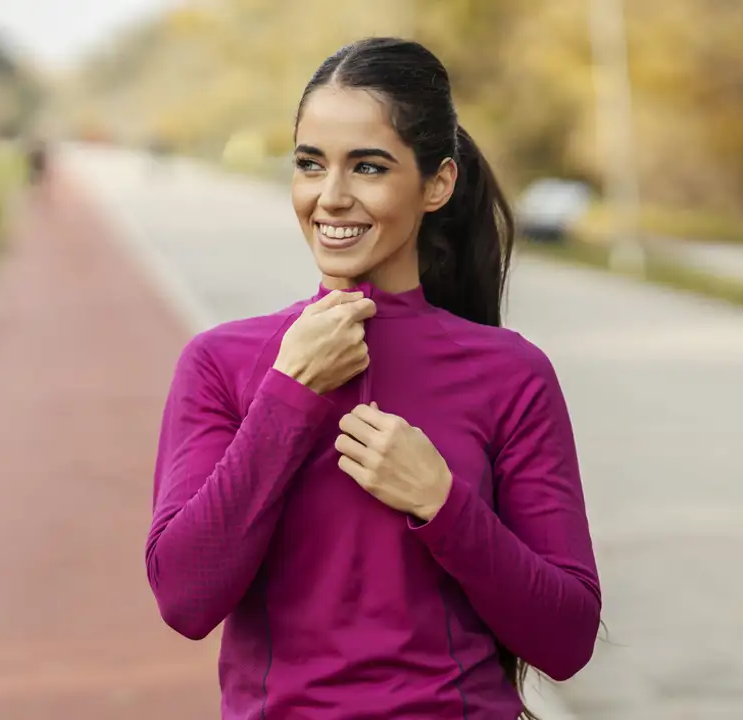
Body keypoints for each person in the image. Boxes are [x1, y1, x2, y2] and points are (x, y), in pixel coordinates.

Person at [145, 37, 600, 720]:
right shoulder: (223, 363)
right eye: (309, 164)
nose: (330, 198)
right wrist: (289, 396)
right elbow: (184, 597)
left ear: (437, 184)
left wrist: (442, 505)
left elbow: (565, 639)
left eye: (368, 167)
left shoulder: (511, 374)